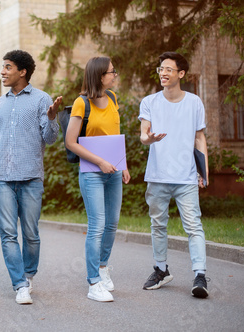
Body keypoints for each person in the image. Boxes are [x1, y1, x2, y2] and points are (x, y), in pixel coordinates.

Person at [0, 50, 62, 305]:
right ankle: (19, 284)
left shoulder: (42, 100)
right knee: (8, 233)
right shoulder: (1, 103)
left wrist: (52, 119)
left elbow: (50, 139)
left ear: (23, 72)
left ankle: (28, 275)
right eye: (3, 66)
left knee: (30, 233)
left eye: (8, 67)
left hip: (31, 178)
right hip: (4, 179)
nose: (3, 72)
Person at [139, 52, 209, 298]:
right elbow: (143, 135)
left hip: (186, 177)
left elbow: (199, 138)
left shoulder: (194, 102)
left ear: (181, 74)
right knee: (158, 224)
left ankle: (200, 275)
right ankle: (161, 270)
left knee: (193, 226)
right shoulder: (149, 102)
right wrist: (149, 138)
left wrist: (204, 173)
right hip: (157, 176)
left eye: (169, 69)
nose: (163, 73)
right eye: (161, 68)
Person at [65, 57, 131, 302]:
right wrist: (100, 162)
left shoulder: (113, 98)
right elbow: (71, 142)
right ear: (100, 75)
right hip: (92, 173)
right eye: (112, 72)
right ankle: (93, 283)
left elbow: (114, 135)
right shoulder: (81, 103)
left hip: (113, 172)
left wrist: (122, 165)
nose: (115, 75)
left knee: (112, 223)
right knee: (97, 226)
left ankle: (103, 268)